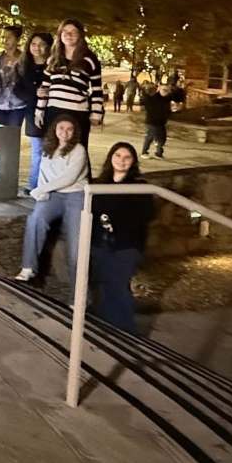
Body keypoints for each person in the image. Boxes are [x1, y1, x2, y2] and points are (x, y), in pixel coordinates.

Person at [15, 113, 89, 298]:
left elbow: (69, 177)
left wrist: (42, 189)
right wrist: (42, 191)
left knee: (76, 245)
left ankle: (78, 296)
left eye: (69, 129)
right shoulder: (48, 148)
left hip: (75, 195)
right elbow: (44, 173)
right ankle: (28, 267)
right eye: (61, 128)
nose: (65, 132)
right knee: (35, 219)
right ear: (55, 130)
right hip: (53, 194)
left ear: (74, 132)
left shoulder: (78, 150)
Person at [90, 143, 154, 334]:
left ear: (133, 162)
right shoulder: (100, 184)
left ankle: (127, 331)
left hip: (126, 246)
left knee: (118, 285)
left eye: (127, 157)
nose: (121, 160)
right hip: (101, 244)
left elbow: (145, 215)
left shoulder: (140, 187)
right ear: (110, 157)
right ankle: (108, 326)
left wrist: (115, 223)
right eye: (117, 155)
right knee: (106, 285)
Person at [35, 19, 104, 146]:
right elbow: (45, 87)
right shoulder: (53, 59)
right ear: (60, 35)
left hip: (77, 112)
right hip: (53, 111)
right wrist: (39, 112)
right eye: (65, 32)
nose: (69, 35)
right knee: (52, 148)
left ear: (80, 35)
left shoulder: (89, 59)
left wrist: (96, 114)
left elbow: (97, 89)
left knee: (77, 149)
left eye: (73, 32)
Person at [14, 32, 54, 194]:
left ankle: (49, 185)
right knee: (37, 150)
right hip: (32, 112)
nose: (37, 48)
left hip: (52, 111)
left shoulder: (54, 66)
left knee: (52, 150)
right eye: (33, 44)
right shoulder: (23, 66)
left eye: (41, 44)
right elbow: (17, 89)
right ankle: (34, 186)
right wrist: (34, 94)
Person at [0, 25, 27, 127]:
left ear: (17, 39)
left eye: (9, 37)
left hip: (16, 105)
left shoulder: (25, 60)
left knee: (12, 138)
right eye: (3, 37)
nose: (4, 40)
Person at [141, 83, 173, 158]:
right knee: (150, 136)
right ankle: (144, 152)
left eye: (167, 90)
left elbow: (167, 110)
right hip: (152, 121)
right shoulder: (153, 98)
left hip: (161, 122)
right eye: (164, 90)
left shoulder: (167, 99)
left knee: (162, 138)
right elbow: (145, 102)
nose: (165, 92)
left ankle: (158, 153)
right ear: (159, 90)